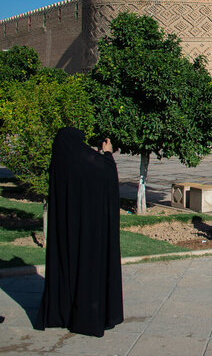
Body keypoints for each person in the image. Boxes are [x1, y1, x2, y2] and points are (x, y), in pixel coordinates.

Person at [37, 128, 123, 337]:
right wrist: (108, 153)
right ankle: (87, 316)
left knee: (68, 267)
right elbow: (108, 176)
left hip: (66, 228)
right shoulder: (89, 160)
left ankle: (64, 312)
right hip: (89, 230)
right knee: (88, 270)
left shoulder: (60, 162)